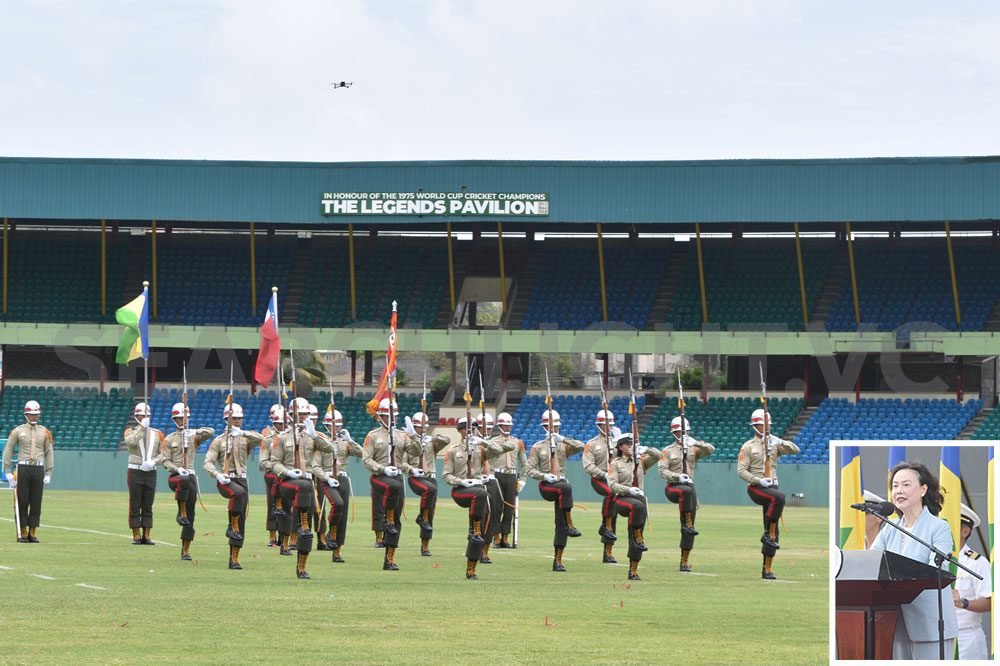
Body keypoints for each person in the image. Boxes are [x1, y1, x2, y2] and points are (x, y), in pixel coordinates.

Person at [870, 461, 958, 660]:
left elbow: (938, 570)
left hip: (929, 622)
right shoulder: (890, 527)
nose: (899, 490)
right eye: (895, 486)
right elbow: (872, 563)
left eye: (906, 485)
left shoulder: (939, 527)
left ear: (923, 489)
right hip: (893, 621)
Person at [271, 397, 332, 578]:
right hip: (288, 482)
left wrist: (314, 435)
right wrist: (288, 473)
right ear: (291, 415)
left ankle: (302, 567)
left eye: (306, 414)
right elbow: (274, 463)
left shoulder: (312, 435)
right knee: (305, 487)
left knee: (307, 534)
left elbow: (329, 449)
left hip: (306, 484)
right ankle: (303, 522)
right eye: (300, 414)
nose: (304, 417)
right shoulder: (282, 438)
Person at [737, 408, 799, 579]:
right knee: (779, 498)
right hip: (757, 488)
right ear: (755, 425)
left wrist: (780, 441)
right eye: (762, 425)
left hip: (772, 487)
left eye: (768, 425)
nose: (766, 428)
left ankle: (767, 569)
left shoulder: (774, 443)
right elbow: (741, 471)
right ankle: (767, 534)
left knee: (773, 529)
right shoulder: (748, 447)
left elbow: (795, 449)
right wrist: (757, 480)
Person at [203, 402, 264, 570]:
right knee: (236, 494)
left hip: (242, 479)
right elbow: (207, 463)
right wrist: (218, 475)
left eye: (239, 419)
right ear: (226, 419)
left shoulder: (245, 438)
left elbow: (260, 439)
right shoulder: (218, 441)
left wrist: (242, 433)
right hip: (226, 480)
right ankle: (231, 525)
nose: (237, 421)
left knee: (241, 520)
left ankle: (234, 558)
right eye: (234, 419)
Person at [525, 409, 585, 572]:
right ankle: (570, 522)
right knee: (566, 487)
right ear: (544, 427)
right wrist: (544, 475)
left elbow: (581, 446)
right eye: (551, 427)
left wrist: (563, 439)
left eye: (556, 427)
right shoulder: (538, 447)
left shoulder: (564, 446)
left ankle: (558, 560)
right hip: (548, 486)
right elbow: (529, 469)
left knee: (560, 523)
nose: (554, 430)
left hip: (562, 489)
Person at [157, 402, 214, 560]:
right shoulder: (169, 439)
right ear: (175, 419)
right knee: (182, 479)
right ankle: (179, 511)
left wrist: (194, 431)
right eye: (181, 418)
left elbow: (211, 432)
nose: (184, 421)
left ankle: (185, 549)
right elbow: (164, 461)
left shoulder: (193, 437)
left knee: (191, 516)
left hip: (190, 477)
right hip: (176, 477)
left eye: (186, 418)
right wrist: (176, 469)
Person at [658, 415, 714, 572]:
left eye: (686, 431)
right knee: (687, 492)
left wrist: (695, 442)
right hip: (674, 487)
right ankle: (686, 523)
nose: (683, 434)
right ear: (674, 433)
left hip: (689, 489)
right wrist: (677, 476)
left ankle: (684, 561)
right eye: (680, 432)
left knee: (691, 528)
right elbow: (662, 471)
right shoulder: (668, 451)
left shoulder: (693, 448)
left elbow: (710, 450)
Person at [442, 416, 492, 580]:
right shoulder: (454, 450)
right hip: (461, 490)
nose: (471, 431)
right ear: (460, 430)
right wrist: (461, 481)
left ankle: (471, 570)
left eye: (474, 427)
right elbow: (446, 475)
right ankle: (474, 529)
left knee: (483, 525)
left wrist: (482, 442)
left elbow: (500, 449)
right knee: (482, 495)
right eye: (468, 428)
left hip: (477, 492)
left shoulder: (480, 448)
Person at [362, 398, 409, 571]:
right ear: (381, 416)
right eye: (389, 416)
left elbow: (415, 453)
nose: (393, 419)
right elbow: (366, 460)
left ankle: (389, 558)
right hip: (380, 477)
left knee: (397, 519)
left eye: (394, 416)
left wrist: (414, 437)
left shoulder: (402, 436)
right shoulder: (373, 436)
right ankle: (385, 522)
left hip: (397, 477)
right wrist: (383, 469)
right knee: (383, 506)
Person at [608, 433, 661, 580]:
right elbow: (612, 485)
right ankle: (637, 538)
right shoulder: (616, 463)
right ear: (620, 447)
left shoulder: (640, 461)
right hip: (623, 499)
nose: (630, 446)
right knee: (637, 510)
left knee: (637, 531)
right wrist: (628, 489)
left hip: (639, 500)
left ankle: (633, 569)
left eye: (632, 444)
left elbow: (658, 456)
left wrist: (646, 450)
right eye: (627, 444)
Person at [312, 407, 363, 563]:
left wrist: (351, 440)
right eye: (333, 425)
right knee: (337, 504)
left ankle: (337, 551)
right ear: (327, 425)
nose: (336, 428)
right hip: (327, 478)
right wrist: (325, 478)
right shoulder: (321, 442)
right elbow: (315, 466)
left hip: (342, 479)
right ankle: (329, 535)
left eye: (338, 425)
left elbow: (362, 454)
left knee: (343, 514)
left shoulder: (344, 443)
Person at [2, 400, 54, 543]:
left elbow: (49, 452)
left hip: (38, 468)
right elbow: (8, 450)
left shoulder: (44, 431)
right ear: (26, 414)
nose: (34, 417)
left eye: (36, 414)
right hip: (23, 468)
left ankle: (33, 532)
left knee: (36, 501)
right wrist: (7, 471)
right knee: (22, 501)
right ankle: (23, 532)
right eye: (31, 414)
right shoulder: (18, 431)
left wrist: (48, 472)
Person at [402, 411, 451, 556]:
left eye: (425, 428)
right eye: (419, 427)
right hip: (416, 477)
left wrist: (431, 438)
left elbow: (447, 440)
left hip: (431, 477)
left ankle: (425, 546)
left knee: (430, 514)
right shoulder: (409, 442)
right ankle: (420, 517)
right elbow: (402, 462)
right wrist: (412, 470)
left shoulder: (431, 443)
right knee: (428, 492)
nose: (422, 430)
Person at [952, 503, 991, 660]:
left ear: (965, 531)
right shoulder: (934, 559)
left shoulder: (977, 563)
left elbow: (991, 603)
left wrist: (964, 603)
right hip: (937, 636)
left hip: (966, 637)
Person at [583, 408, 621, 563]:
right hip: (600, 479)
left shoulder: (617, 442)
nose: (609, 427)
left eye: (611, 424)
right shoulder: (592, 444)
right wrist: (603, 473)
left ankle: (608, 552)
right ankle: (604, 525)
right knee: (611, 493)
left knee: (615, 514)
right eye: (606, 424)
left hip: (615, 480)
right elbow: (588, 466)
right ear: (599, 425)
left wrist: (620, 442)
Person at [123, 402, 164, 545]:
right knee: (135, 503)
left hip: (151, 471)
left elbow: (164, 453)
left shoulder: (157, 433)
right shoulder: (130, 431)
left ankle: (147, 533)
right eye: (142, 415)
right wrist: (142, 428)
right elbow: (131, 442)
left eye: (147, 415)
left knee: (148, 503)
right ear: (136, 416)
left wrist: (154, 462)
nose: (146, 417)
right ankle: (136, 534)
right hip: (135, 470)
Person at [491, 412, 526, 549]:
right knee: (496, 507)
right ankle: (497, 538)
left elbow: (524, 463)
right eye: (505, 425)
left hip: (511, 476)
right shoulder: (493, 442)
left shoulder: (517, 442)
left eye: (509, 425)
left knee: (509, 508)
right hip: (497, 475)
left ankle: (506, 538)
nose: (508, 428)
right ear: (500, 425)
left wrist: (523, 479)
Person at [260, 404, 285, 548]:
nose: (281, 426)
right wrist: (276, 467)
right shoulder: (268, 438)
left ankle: (284, 535)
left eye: (283, 423)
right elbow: (264, 461)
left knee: (287, 507)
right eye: (279, 423)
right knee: (272, 505)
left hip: (286, 475)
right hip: (272, 474)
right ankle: (272, 536)